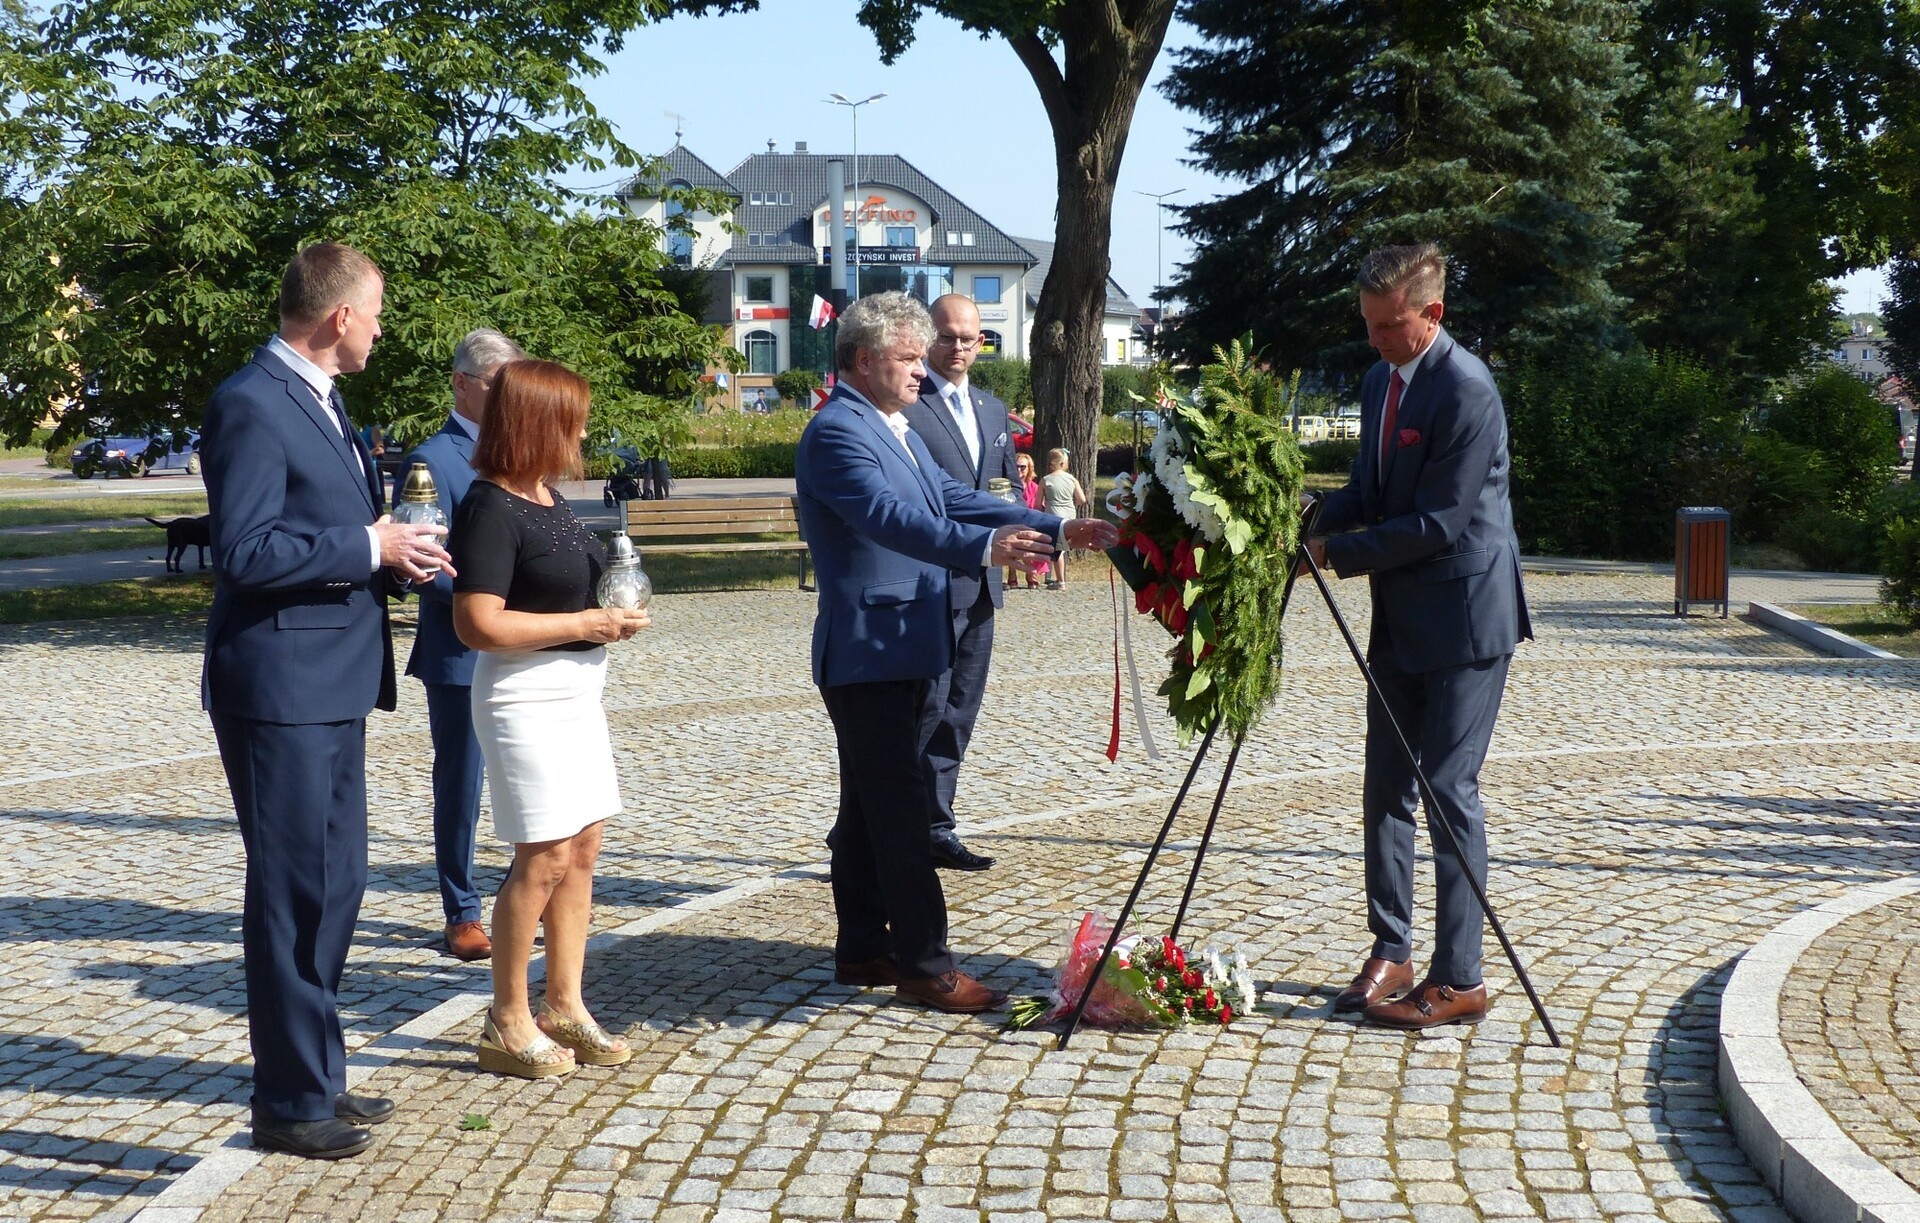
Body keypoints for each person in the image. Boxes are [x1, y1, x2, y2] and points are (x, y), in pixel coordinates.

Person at [794, 291, 1117, 1013]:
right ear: (864, 360)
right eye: (909, 358)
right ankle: (925, 963)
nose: (922, 370)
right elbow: (889, 518)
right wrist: (984, 548)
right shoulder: (838, 430)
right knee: (902, 811)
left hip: (905, 643)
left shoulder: (891, 423)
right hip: (870, 651)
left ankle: (863, 946)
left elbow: (949, 496)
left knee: (867, 807)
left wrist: (1055, 528)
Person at [202, 242, 454, 1160]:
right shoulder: (251, 401)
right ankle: (288, 1099)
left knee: (337, 884)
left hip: (334, 680)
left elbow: (324, 530)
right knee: (294, 890)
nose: (381, 330)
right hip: (281, 685)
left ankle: (318, 1071)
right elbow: (245, 550)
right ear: (340, 315)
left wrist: (393, 555)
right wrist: (367, 547)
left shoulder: (324, 398)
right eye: (375, 313)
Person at [1303, 243, 1532, 1030]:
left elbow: (1438, 521)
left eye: (1387, 324)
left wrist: (1334, 555)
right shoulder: (1381, 381)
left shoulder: (1467, 388)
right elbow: (1368, 491)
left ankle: (1461, 976)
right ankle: (1392, 948)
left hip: (1467, 616)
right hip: (1401, 614)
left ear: (1431, 313)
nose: (1373, 339)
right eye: (1367, 323)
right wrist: (1295, 520)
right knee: (1385, 785)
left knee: (1447, 788)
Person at [452, 359, 649, 1078]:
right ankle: (507, 1017)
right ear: (537, 424)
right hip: (522, 697)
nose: (584, 433)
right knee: (543, 858)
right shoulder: (490, 506)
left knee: (584, 848)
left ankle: (564, 1002)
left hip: (576, 692)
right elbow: (477, 623)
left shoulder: (546, 496)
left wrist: (612, 610)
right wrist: (585, 622)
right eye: (574, 420)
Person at [399, 327, 526, 962]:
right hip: (461, 650)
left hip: (523, 646)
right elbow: (425, 564)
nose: (509, 398)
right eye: (498, 386)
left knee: (528, 776)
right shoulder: (432, 460)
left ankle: (525, 896)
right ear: (461, 384)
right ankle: (462, 911)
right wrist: (495, 599)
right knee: (462, 784)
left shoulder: (516, 449)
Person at [901, 293, 1024, 873]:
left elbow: (1007, 485)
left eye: (969, 338)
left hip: (982, 585)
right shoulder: (906, 404)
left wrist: (1022, 518)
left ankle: (936, 826)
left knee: (958, 713)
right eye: (947, 336)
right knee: (918, 711)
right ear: (928, 337)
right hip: (927, 583)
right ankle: (877, 827)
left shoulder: (992, 410)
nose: (958, 347)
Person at [1039, 449, 1088, 589]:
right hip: (1069, 516)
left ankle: (1060, 581)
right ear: (1062, 463)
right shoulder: (1072, 479)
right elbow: (1082, 499)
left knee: (1056, 548)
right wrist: (1072, 503)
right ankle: (1059, 578)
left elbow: (1037, 504)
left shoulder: (1045, 480)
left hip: (1052, 515)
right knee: (1062, 547)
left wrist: (1044, 508)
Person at [1008, 452, 1043, 588]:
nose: (1019, 470)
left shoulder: (1034, 487)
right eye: (1016, 466)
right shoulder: (1008, 487)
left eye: (1022, 467)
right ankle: (1012, 574)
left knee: (1028, 547)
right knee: (1011, 548)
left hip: (1029, 522)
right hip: (1011, 521)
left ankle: (1030, 574)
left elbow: (1039, 506)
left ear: (1029, 469)